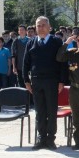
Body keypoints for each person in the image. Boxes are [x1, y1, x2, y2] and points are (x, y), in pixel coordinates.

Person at [23, 16, 67, 150]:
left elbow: (63, 63)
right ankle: (41, 138)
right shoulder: (31, 43)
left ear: (49, 27)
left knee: (51, 111)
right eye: (38, 25)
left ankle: (50, 139)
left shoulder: (56, 42)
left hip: (52, 81)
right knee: (39, 111)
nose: (40, 28)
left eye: (43, 25)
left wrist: (61, 81)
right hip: (36, 81)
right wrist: (26, 81)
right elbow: (25, 64)